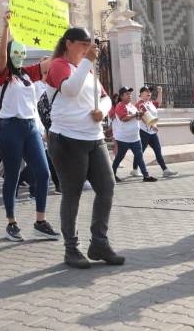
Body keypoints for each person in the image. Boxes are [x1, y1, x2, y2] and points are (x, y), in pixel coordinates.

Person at [45, 27, 122, 269]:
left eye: (90, 44)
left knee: (107, 186)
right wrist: (87, 61)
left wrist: (103, 111)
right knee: (72, 193)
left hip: (94, 137)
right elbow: (70, 89)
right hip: (67, 139)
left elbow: (105, 97)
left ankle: (99, 242)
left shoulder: (88, 71)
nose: (89, 48)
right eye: (83, 44)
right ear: (69, 43)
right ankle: (71, 249)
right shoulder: (58, 65)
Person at [0, 13, 60, 242]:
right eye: (16, 53)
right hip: (10, 128)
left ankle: (40, 222)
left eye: (22, 53)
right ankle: (11, 223)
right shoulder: (3, 75)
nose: (19, 56)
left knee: (43, 172)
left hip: (30, 128)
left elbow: (50, 63)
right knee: (12, 176)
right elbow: (2, 56)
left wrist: (64, 40)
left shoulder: (27, 74)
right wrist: (5, 27)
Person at [110, 87, 157, 183]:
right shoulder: (120, 106)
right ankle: (112, 174)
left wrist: (150, 124)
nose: (130, 96)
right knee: (120, 157)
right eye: (127, 94)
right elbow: (124, 118)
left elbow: (138, 117)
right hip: (124, 138)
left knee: (139, 156)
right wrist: (135, 115)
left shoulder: (131, 106)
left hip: (135, 137)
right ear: (122, 96)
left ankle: (146, 176)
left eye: (130, 94)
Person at [132, 86, 176, 179]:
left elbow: (158, 102)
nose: (149, 93)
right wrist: (152, 125)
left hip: (152, 132)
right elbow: (143, 117)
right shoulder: (140, 104)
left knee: (157, 150)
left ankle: (165, 170)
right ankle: (135, 169)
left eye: (150, 91)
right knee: (140, 151)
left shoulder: (150, 103)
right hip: (144, 131)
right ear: (141, 94)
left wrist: (160, 92)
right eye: (146, 91)